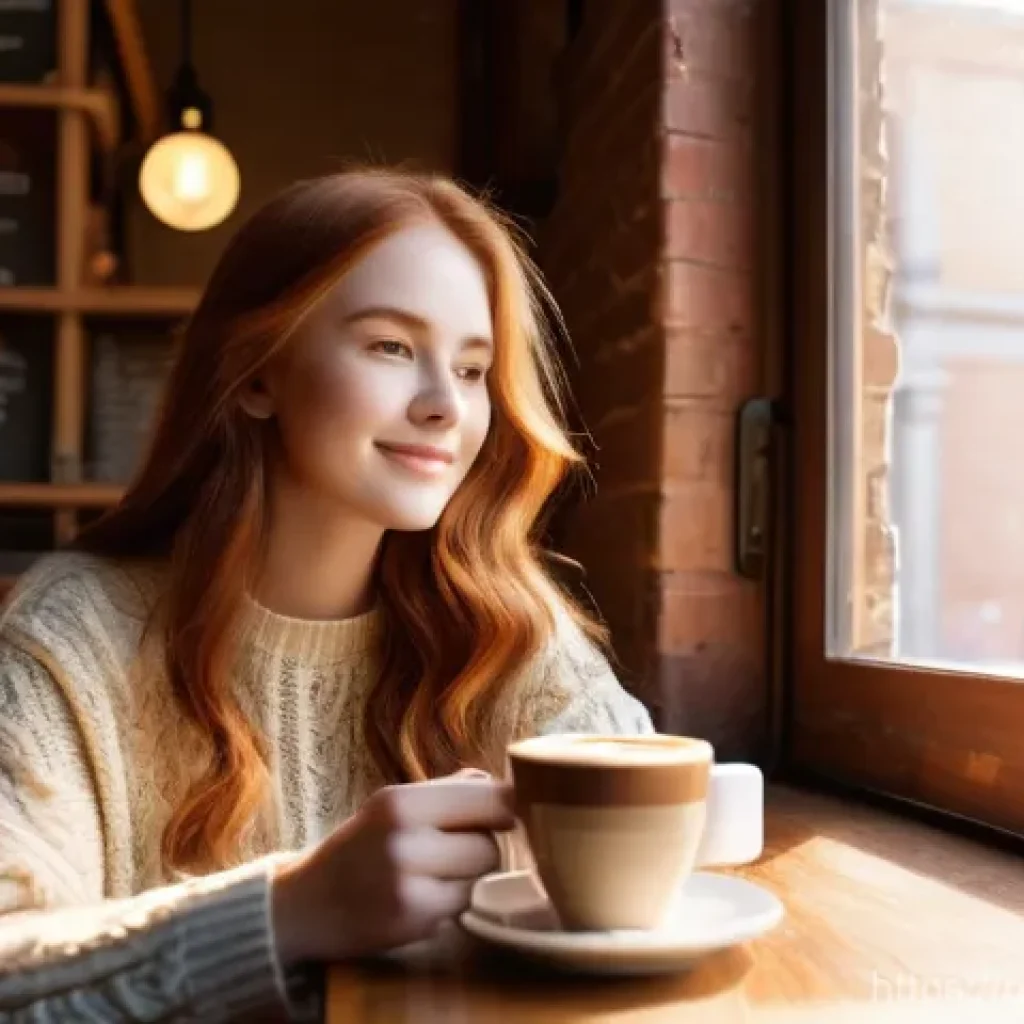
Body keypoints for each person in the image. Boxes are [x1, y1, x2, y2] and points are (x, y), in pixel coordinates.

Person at [0, 169, 654, 1021]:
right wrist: (289, 911)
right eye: (390, 346)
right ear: (257, 375)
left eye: (472, 368)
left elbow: (665, 878)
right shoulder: (77, 633)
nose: (444, 407)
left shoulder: (508, 630)